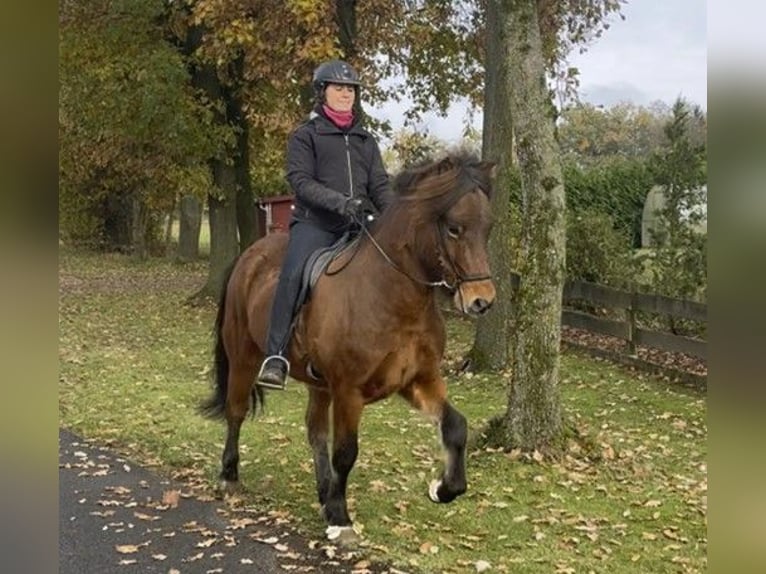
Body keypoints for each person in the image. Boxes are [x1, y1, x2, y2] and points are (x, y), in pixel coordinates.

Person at [257, 59, 390, 389]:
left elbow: (381, 186)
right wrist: (342, 204)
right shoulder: (306, 135)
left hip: (359, 225)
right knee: (292, 275)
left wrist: (394, 216)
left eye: (351, 89)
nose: (346, 94)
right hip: (316, 224)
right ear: (322, 92)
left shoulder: (365, 140)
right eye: (339, 88)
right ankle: (276, 356)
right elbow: (301, 182)